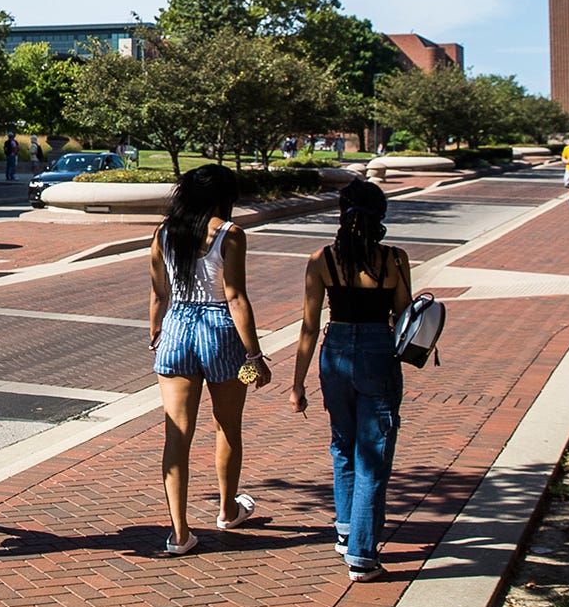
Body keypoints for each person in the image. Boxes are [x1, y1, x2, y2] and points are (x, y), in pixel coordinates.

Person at [290, 179, 411, 583]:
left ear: (342, 214)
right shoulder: (394, 259)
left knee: (343, 444)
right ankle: (361, 553)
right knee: (373, 454)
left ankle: (345, 531)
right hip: (378, 349)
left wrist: (298, 384)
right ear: (381, 216)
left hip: (335, 350)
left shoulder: (321, 259)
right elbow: (404, 315)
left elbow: (309, 326)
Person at [147, 164, 269, 556]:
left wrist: (156, 332)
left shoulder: (164, 233)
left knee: (176, 435)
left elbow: (159, 293)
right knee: (227, 426)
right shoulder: (230, 234)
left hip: (177, 326)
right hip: (220, 330)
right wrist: (255, 355)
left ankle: (179, 533)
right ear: (223, 196)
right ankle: (228, 510)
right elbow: (235, 297)